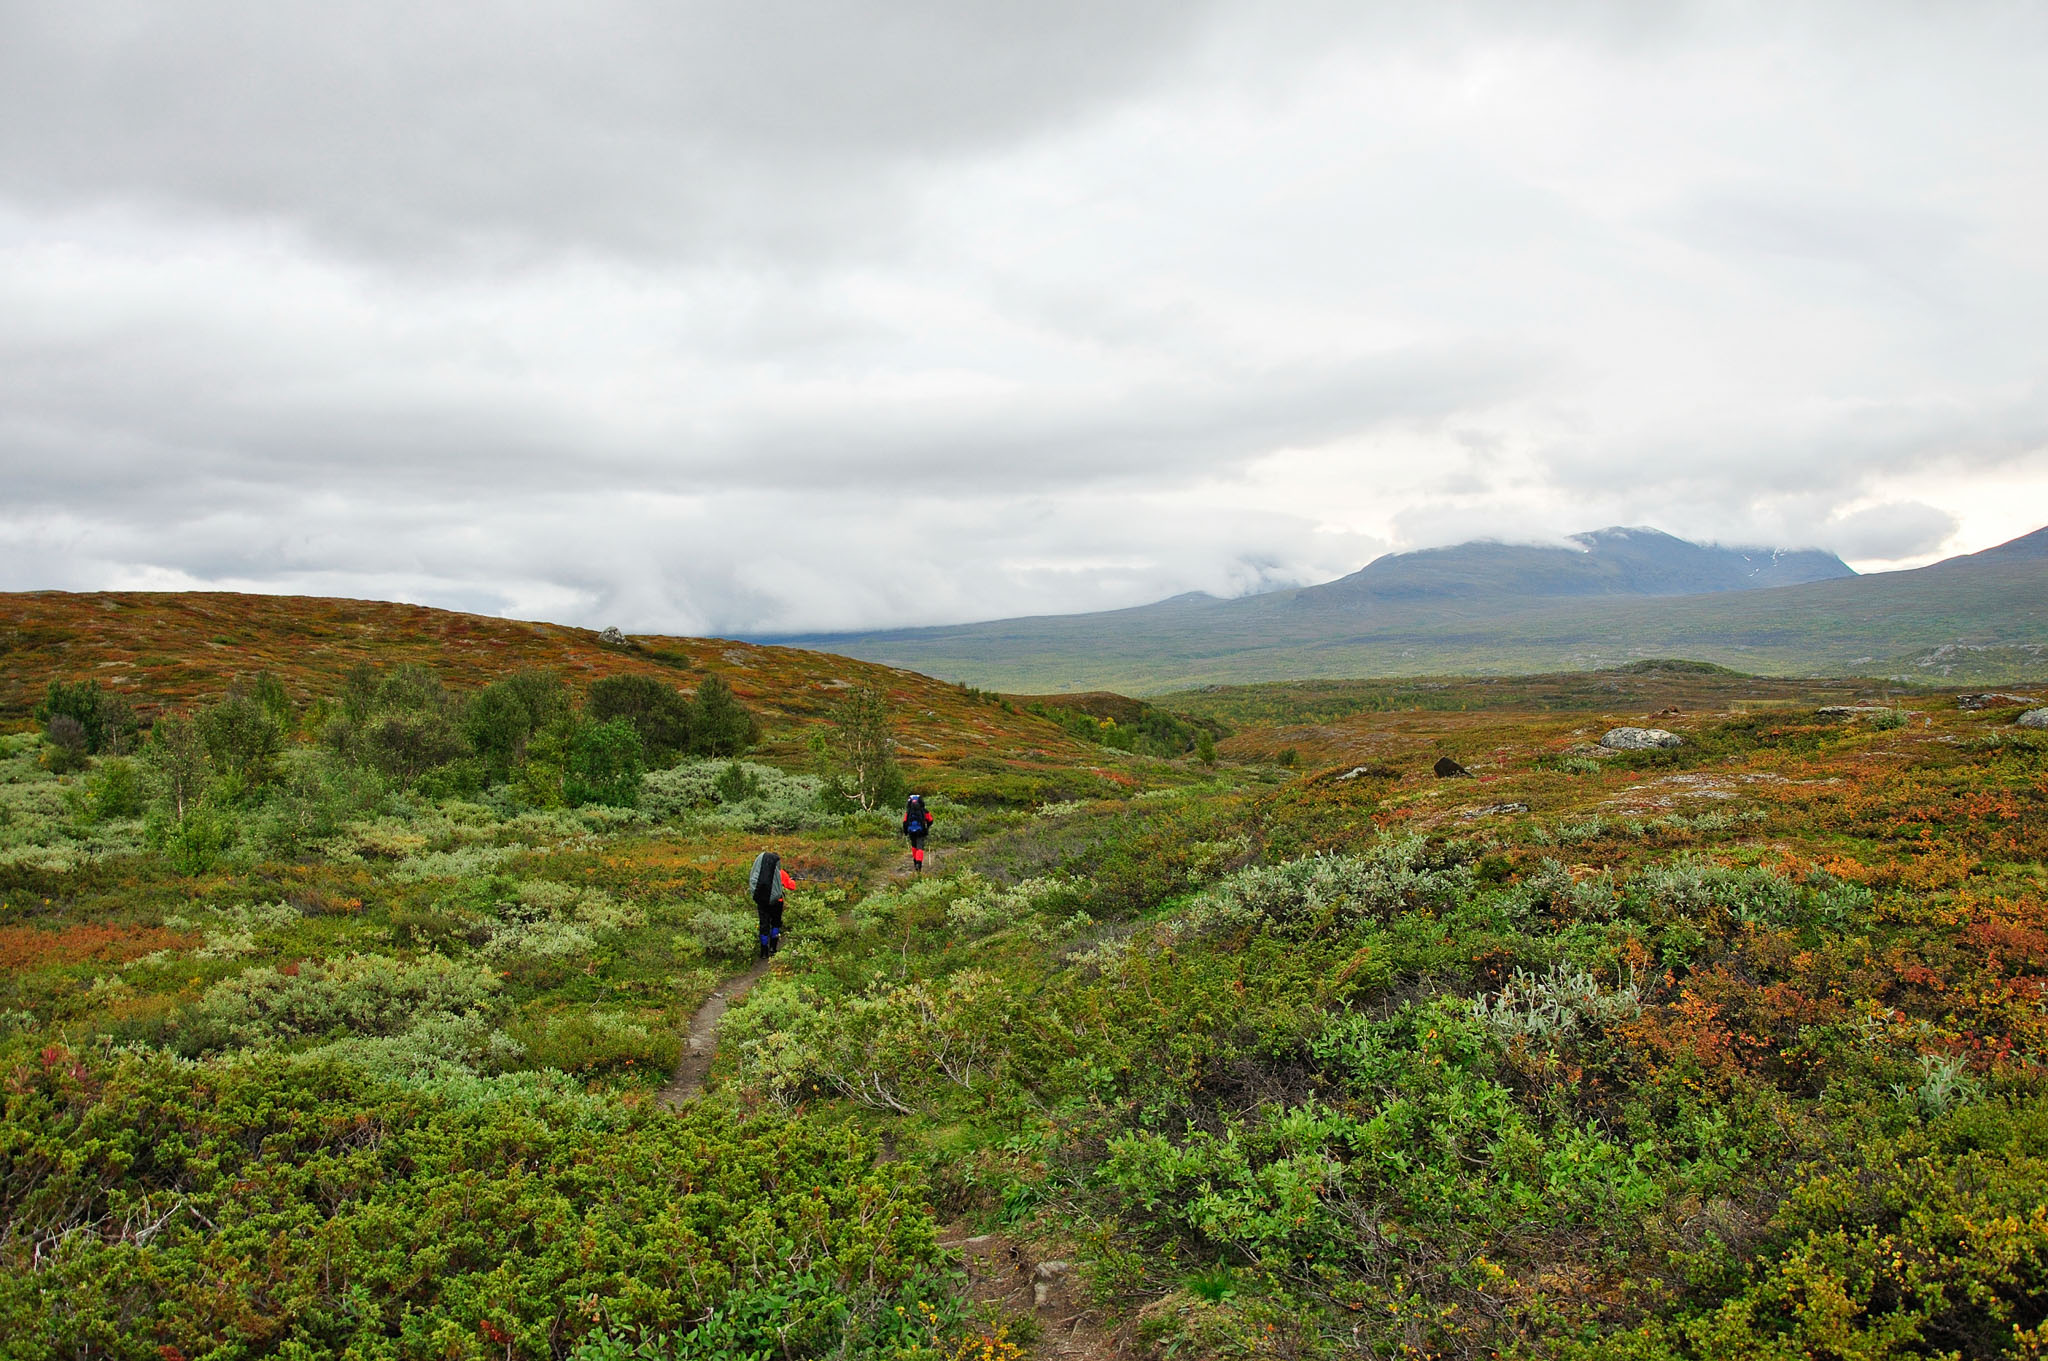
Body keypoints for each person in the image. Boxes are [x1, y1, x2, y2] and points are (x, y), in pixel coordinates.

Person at [747, 849, 797, 956]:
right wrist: (792, 880)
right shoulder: (781, 873)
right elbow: (791, 886)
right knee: (775, 923)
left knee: (764, 925)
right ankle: (773, 949)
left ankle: (763, 952)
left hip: (762, 902)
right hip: (777, 902)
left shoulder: (760, 873)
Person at [901, 793, 935, 873]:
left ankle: (915, 861)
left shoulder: (908, 811)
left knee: (914, 845)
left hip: (911, 831)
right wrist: (927, 827)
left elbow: (905, 822)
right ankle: (919, 864)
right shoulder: (924, 811)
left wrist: (905, 831)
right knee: (920, 846)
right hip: (921, 831)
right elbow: (930, 820)